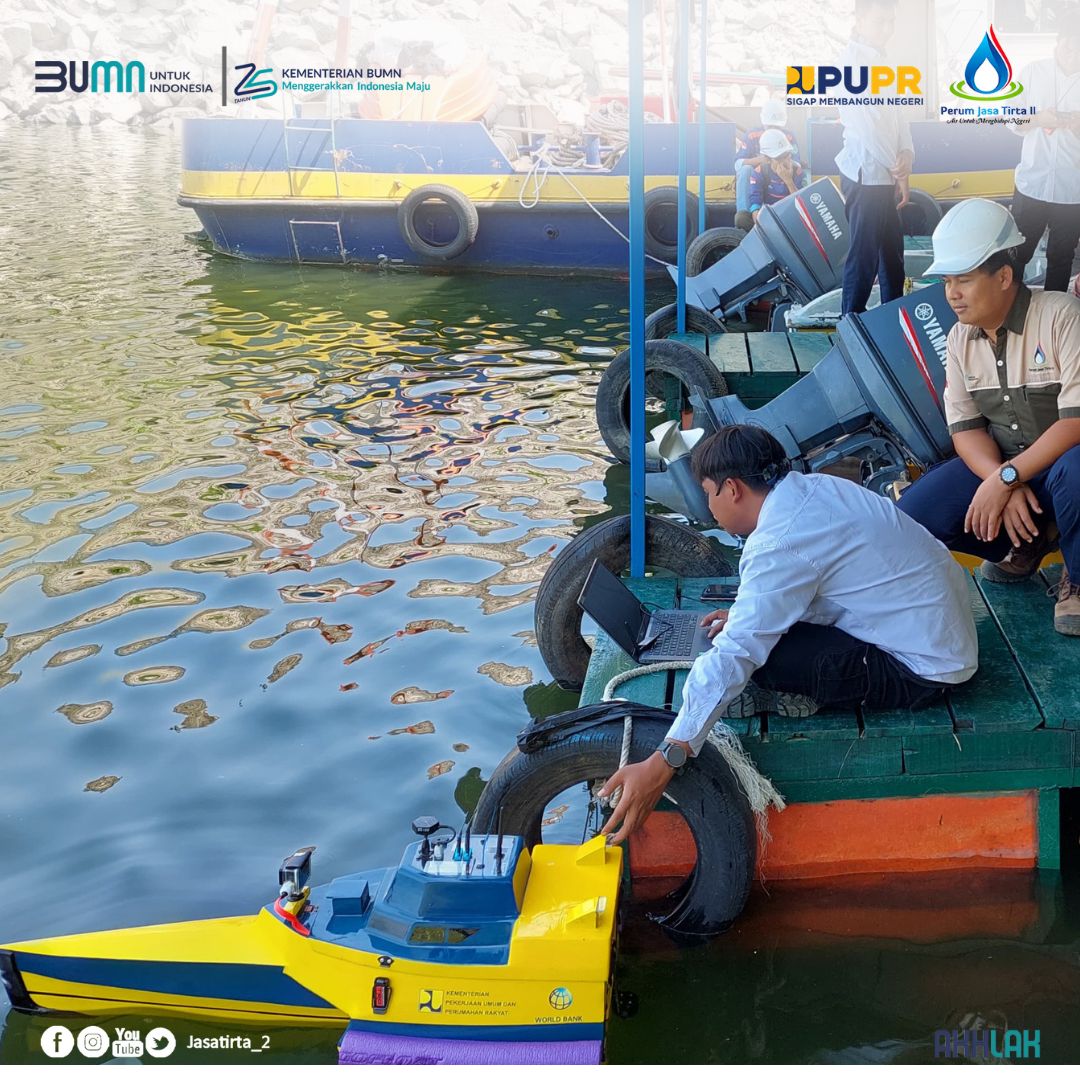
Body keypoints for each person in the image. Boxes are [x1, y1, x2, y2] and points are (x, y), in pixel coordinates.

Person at [598, 425, 978, 844]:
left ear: (733, 489)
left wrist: (667, 757)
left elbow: (737, 652)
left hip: (922, 670)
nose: (709, 507)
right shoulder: (819, 489)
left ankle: (782, 695)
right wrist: (747, 613)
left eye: (708, 493)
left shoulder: (778, 542)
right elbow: (831, 583)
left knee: (763, 659)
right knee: (754, 631)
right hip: (938, 634)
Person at [897, 198, 1080, 636]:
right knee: (915, 512)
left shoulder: (1060, 315)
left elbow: (1075, 422)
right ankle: (1030, 541)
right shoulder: (959, 339)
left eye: (964, 279)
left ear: (1003, 277)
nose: (952, 293)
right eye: (947, 281)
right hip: (1013, 471)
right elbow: (966, 431)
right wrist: (1001, 479)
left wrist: (1006, 479)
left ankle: (1077, 577)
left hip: (1066, 467)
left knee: (1077, 472)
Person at [835, 0, 913, 314]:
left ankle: (892, 319)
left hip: (885, 173)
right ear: (859, 19)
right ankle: (849, 325)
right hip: (865, 175)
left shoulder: (885, 61)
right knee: (864, 257)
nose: (887, 29)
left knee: (892, 256)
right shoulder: (851, 65)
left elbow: (899, 115)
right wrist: (900, 171)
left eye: (891, 21)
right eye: (880, 21)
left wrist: (907, 153)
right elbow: (868, 130)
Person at [1008, 23, 1080, 293]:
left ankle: (1054, 313)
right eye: (1068, 48)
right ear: (1057, 44)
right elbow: (1010, 117)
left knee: (1061, 258)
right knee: (1017, 253)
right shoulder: (1032, 72)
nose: (1073, 55)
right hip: (1032, 184)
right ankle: (1009, 309)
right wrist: (1038, 119)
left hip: (1072, 191)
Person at [734, 99, 801, 232]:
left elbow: (796, 163)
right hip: (759, 177)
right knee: (745, 170)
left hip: (782, 182)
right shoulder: (752, 135)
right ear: (763, 123)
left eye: (777, 127)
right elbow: (738, 163)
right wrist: (763, 160)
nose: (773, 130)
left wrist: (783, 170)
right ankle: (744, 216)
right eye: (770, 126)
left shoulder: (788, 137)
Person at [748, 129, 809, 221]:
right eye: (780, 157)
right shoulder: (760, 172)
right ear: (767, 159)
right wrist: (760, 224)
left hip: (792, 217)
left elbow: (804, 207)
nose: (785, 160)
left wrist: (789, 181)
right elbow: (755, 203)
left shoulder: (798, 172)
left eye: (787, 155)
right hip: (769, 217)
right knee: (741, 218)